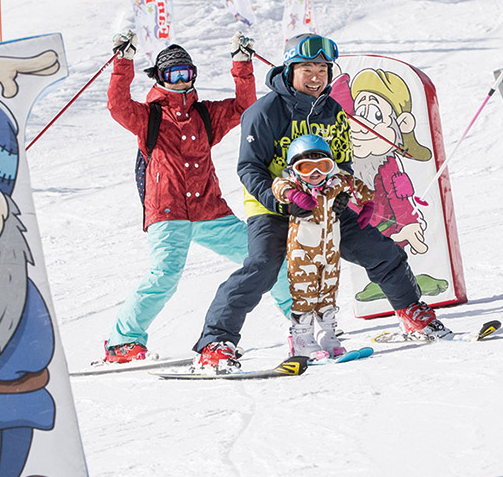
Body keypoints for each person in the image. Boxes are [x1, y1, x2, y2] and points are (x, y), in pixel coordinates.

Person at [192, 33, 452, 373]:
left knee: (380, 249)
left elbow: (342, 162)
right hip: (274, 207)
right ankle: (215, 342)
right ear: (290, 70)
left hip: (323, 205)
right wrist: (280, 200)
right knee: (263, 267)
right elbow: (249, 167)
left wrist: (343, 195)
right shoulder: (264, 111)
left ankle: (412, 314)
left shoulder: (333, 113)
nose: (315, 77)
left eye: (322, 69)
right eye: (307, 69)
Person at [102, 32, 292, 363]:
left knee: (268, 260)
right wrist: (123, 62)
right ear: (160, 78)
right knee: (164, 277)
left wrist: (242, 63)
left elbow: (244, 108)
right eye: (172, 75)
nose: (179, 81)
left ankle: (303, 322)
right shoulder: (150, 116)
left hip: (210, 211)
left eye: (185, 74)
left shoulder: (204, 115)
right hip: (168, 211)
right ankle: (123, 342)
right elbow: (118, 106)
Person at [271, 135, 374, 360]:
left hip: (330, 251)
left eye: (322, 166)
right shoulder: (295, 184)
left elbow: (358, 187)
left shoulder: (336, 182)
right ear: (295, 169)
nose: (315, 173)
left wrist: (368, 205)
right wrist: (294, 196)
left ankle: (329, 336)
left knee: (328, 292)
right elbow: (278, 185)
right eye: (306, 167)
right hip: (302, 252)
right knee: (304, 294)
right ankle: (302, 339)